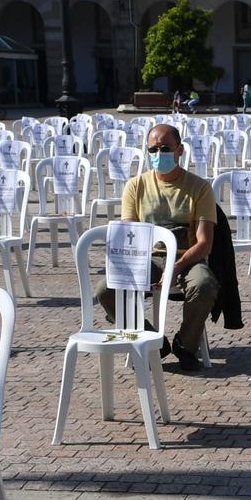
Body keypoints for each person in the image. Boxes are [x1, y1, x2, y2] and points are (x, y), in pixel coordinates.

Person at [97, 124, 220, 372]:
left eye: (165, 148)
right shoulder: (136, 186)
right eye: (153, 149)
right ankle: (153, 340)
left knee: (204, 285)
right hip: (147, 259)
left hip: (187, 258)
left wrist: (177, 266)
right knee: (105, 289)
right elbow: (130, 234)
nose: (159, 154)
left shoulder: (199, 188)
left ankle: (186, 344)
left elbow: (205, 242)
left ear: (179, 151)